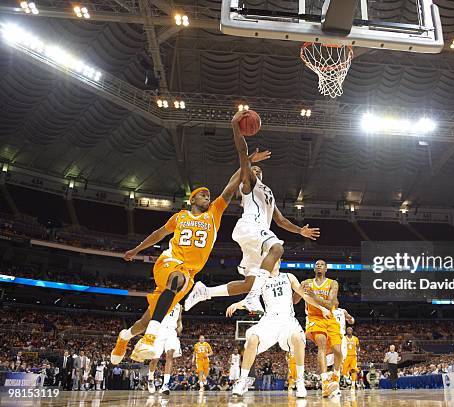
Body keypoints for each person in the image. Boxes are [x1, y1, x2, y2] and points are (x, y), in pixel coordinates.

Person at [109, 146, 270, 364]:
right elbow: (158, 234)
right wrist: (136, 250)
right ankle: (150, 338)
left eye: (208, 195)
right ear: (192, 200)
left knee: (146, 319)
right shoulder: (180, 217)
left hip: (188, 275)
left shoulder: (214, 214)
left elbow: (231, 186)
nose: (207, 197)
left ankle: (125, 337)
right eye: (203, 195)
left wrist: (248, 161)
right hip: (170, 262)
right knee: (177, 279)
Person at [185, 110, 320, 313]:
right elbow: (241, 153)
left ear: (263, 174)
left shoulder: (268, 193)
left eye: (258, 169)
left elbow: (281, 221)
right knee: (277, 249)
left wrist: (300, 231)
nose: (255, 171)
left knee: (250, 282)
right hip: (250, 227)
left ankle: (205, 292)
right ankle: (253, 298)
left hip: (255, 237)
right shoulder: (248, 186)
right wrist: (235, 129)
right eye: (252, 170)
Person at [226, 260, 331, 398]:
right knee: (252, 340)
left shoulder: (289, 277)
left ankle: (299, 381)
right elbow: (251, 299)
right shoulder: (261, 280)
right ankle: (242, 380)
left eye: (276, 259)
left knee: (298, 339)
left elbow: (305, 296)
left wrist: (321, 307)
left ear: (280, 262)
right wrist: (237, 304)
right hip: (269, 320)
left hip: (287, 320)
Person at [294, 259, 342, 397]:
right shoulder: (307, 282)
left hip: (329, 317)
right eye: (317, 265)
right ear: (314, 269)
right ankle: (325, 382)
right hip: (315, 318)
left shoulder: (333, 283)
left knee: (338, 351)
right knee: (321, 344)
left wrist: (314, 296)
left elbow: (330, 304)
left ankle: (336, 376)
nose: (319, 266)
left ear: (326, 269)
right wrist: (299, 290)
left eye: (322, 265)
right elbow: (295, 301)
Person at [147, 303, 183, 395]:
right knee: (155, 359)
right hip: (160, 329)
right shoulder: (164, 299)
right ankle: (150, 379)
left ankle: (165, 384)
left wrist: (180, 328)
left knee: (170, 355)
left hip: (171, 331)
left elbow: (179, 321)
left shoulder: (179, 306)